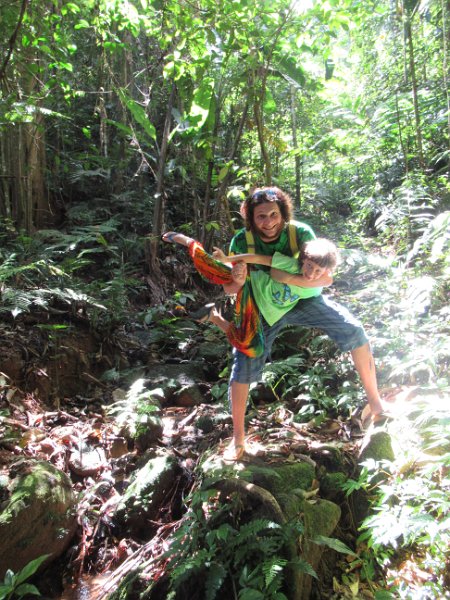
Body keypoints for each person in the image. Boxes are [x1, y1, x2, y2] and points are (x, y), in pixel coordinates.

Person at [218, 186, 391, 460]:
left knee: (354, 331)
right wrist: (237, 281)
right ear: (251, 218)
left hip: (302, 300)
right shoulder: (241, 242)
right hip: (263, 308)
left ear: (283, 213)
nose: (269, 222)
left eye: (274, 214)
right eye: (261, 216)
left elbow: (325, 277)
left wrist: (288, 278)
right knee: (243, 363)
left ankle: (377, 406)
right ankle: (238, 439)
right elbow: (229, 288)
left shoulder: (300, 233)